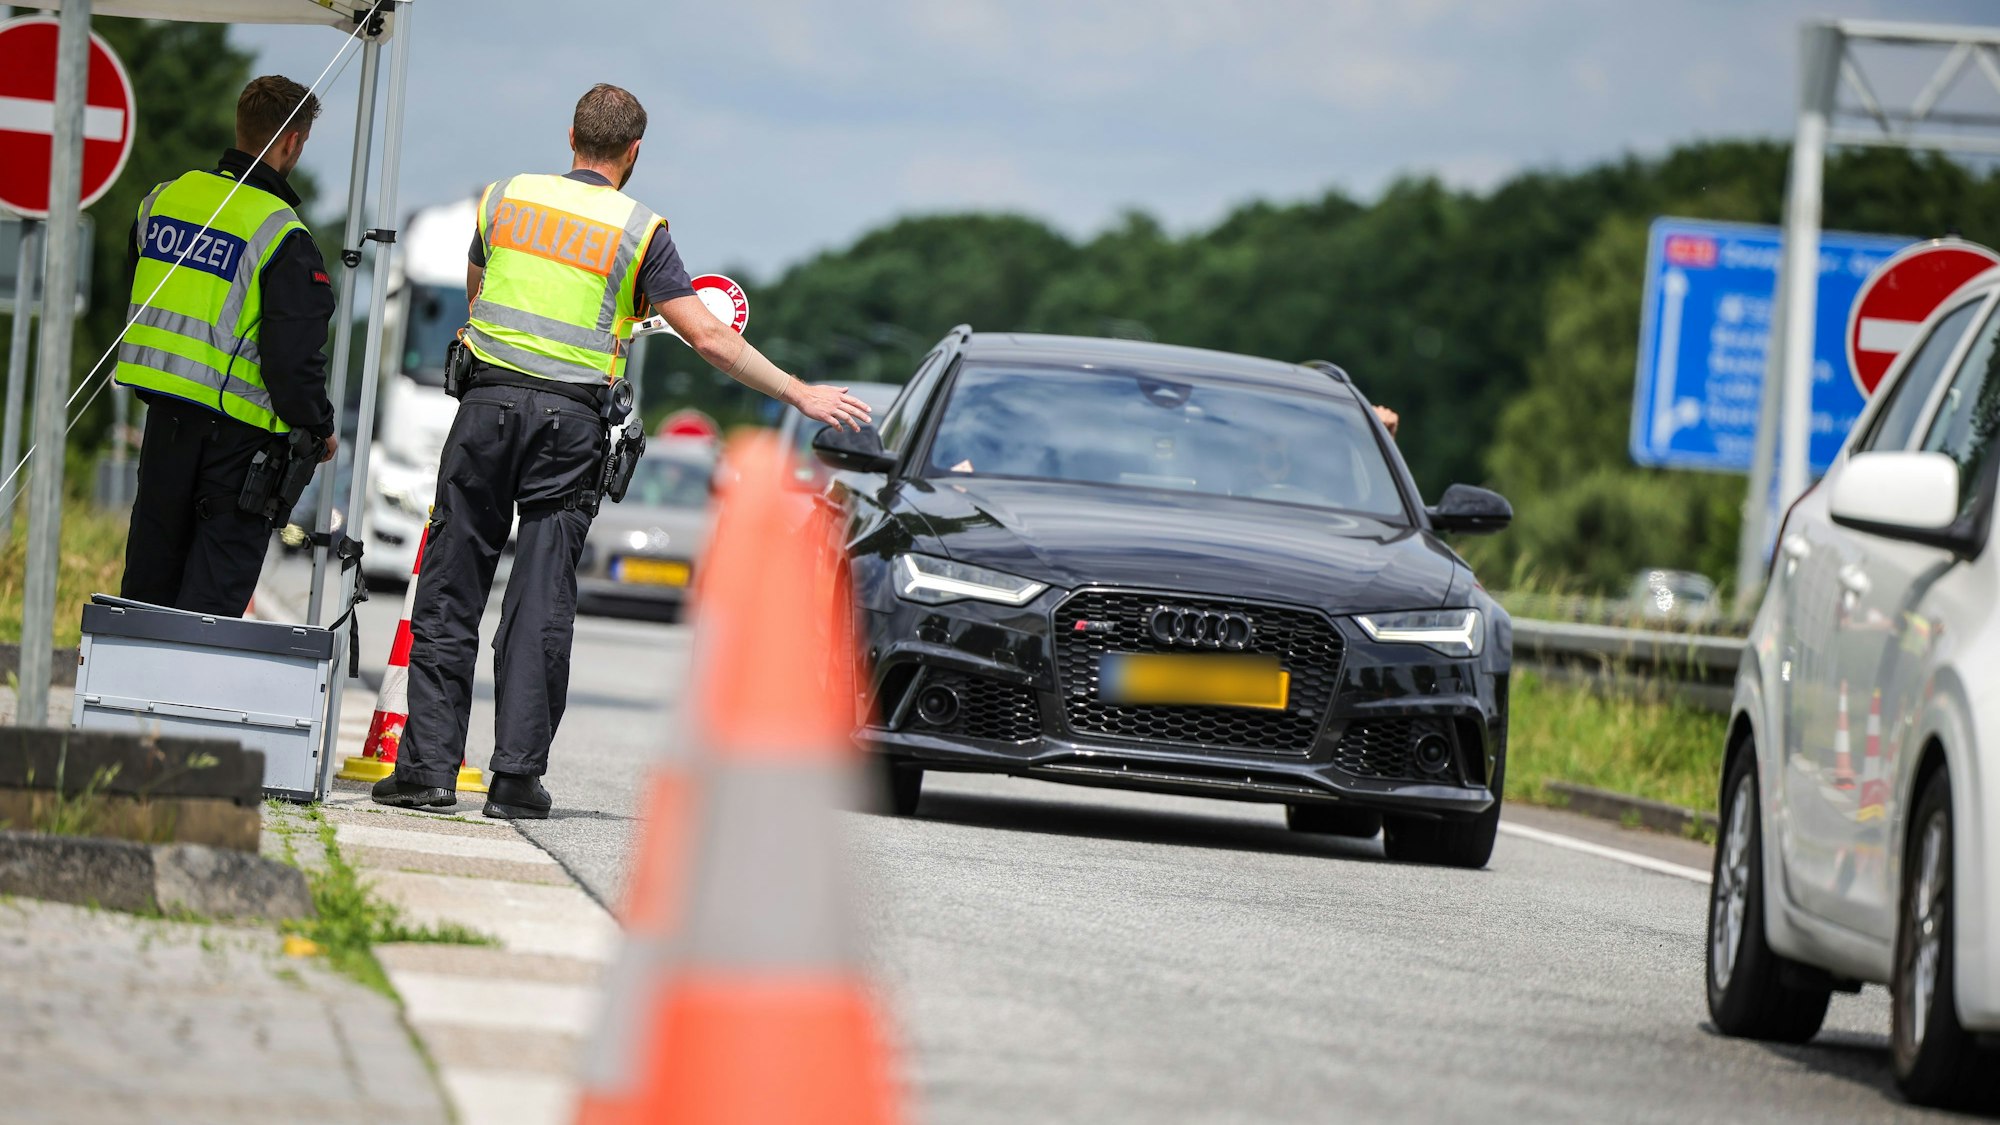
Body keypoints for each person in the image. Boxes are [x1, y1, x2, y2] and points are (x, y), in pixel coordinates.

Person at [373, 84, 869, 818]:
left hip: (485, 408)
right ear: (634, 152)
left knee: (451, 589)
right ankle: (513, 780)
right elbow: (708, 336)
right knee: (540, 599)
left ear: (570, 133)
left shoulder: (505, 198)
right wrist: (799, 392)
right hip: (567, 427)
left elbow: (480, 293)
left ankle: (427, 771)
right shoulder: (641, 231)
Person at [115, 76, 338, 616]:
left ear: (242, 127)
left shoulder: (163, 200)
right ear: (292, 143)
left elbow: (135, 292)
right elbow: (291, 362)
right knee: (211, 605)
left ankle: (135, 698)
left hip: (165, 426)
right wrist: (320, 425)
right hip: (241, 452)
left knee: (148, 588)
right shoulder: (284, 235)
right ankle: (185, 700)